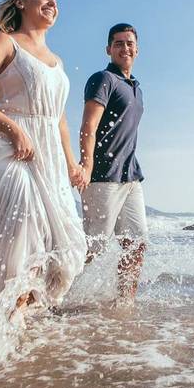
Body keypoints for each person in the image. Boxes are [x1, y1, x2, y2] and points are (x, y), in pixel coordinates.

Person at [0, 0, 87, 318]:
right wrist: (11, 128)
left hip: (49, 158)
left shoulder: (58, 61)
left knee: (65, 249)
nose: (52, 2)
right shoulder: (5, 43)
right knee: (26, 226)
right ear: (21, 3)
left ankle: (18, 328)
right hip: (8, 150)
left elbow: (59, 121)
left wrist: (73, 164)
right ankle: (1, 329)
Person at [78, 23, 148, 301]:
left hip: (131, 177)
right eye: (118, 43)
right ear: (109, 49)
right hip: (103, 176)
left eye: (129, 43)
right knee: (90, 248)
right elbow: (88, 126)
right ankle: (40, 293)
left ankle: (125, 304)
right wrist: (85, 165)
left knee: (137, 244)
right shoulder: (103, 79)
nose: (125, 48)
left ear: (137, 49)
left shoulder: (136, 88)